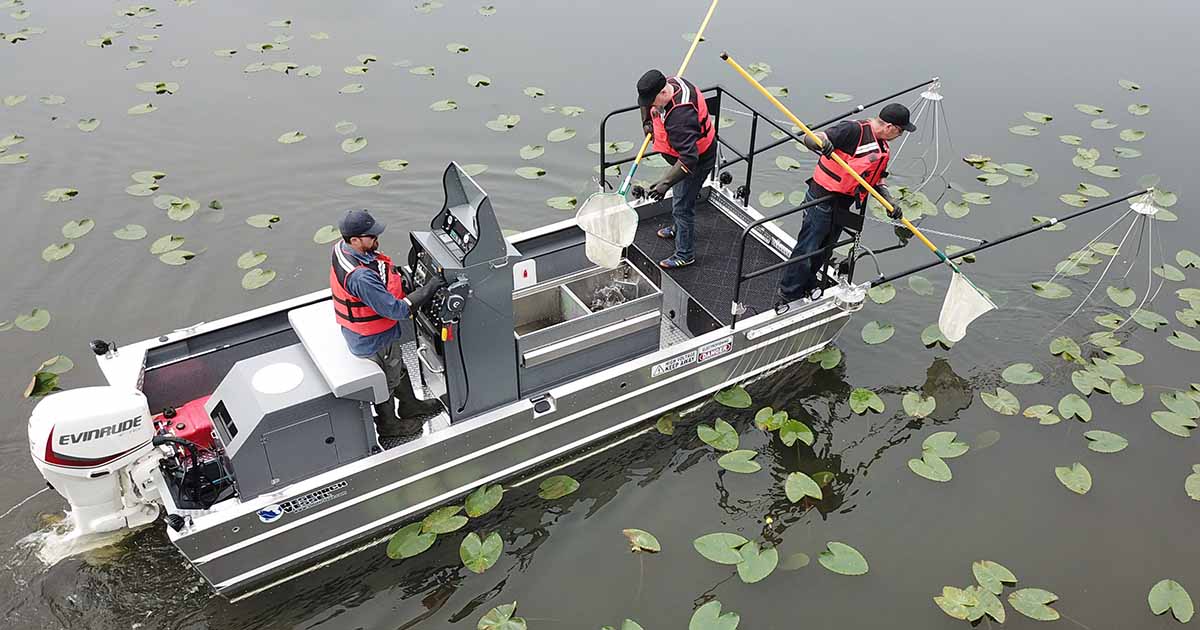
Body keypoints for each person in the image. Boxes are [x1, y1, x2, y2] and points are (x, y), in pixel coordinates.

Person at [776, 103, 916, 304]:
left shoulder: (883, 147)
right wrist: (821, 144)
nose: (900, 135)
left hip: (843, 204)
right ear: (890, 127)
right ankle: (789, 291)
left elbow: (876, 181)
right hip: (821, 199)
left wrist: (890, 201)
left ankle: (807, 282)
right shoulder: (852, 131)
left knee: (826, 248)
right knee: (808, 246)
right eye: (900, 131)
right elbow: (810, 138)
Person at [330, 209, 445, 439]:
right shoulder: (361, 277)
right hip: (373, 341)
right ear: (354, 240)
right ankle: (389, 425)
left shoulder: (342, 249)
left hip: (365, 333)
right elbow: (398, 310)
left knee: (397, 366)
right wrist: (430, 288)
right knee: (386, 379)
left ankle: (410, 405)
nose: (376, 239)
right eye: (371, 236)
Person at [636, 69, 718, 269]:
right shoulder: (672, 82)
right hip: (683, 156)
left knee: (682, 206)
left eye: (652, 102)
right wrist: (647, 121)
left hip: (697, 161)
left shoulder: (681, 116)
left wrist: (664, 183)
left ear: (663, 93)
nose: (650, 106)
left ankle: (685, 254)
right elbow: (646, 104)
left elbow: (689, 160)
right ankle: (678, 229)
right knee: (683, 198)